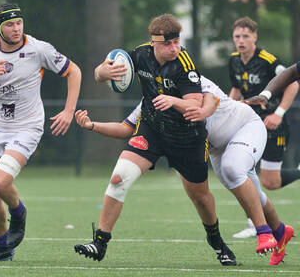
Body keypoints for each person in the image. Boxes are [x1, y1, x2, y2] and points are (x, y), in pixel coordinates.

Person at [75, 74, 293, 266]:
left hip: (245, 127)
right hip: (217, 147)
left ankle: (263, 232)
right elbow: (126, 128)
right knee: (250, 192)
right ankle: (281, 232)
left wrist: (179, 102)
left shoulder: (191, 79)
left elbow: (208, 104)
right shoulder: (153, 96)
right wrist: (91, 125)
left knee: (232, 170)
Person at [74, 14, 237, 266]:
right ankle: (99, 242)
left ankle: (217, 241)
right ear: (154, 43)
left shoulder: (184, 64)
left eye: (176, 42)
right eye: (167, 44)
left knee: (201, 198)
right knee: (119, 177)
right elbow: (99, 74)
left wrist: (174, 101)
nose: (174, 48)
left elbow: (194, 105)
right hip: (152, 130)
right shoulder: (139, 55)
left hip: (188, 138)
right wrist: (102, 72)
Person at [0, 3, 81, 261]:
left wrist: (69, 111)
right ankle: (4, 248)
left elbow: (74, 72)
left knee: (0, 182)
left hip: (28, 126)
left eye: (19, 23)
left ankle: (18, 212)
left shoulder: (38, 48)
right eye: (9, 25)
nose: (16, 29)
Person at [228, 17, 299, 238]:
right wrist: (229, 111)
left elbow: (293, 83)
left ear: (255, 37)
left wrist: (278, 114)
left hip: (272, 126)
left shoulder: (268, 60)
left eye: (245, 36)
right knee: (243, 171)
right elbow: (236, 89)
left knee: (270, 182)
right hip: (248, 124)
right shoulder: (233, 60)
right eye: (237, 36)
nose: (241, 41)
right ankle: (255, 224)